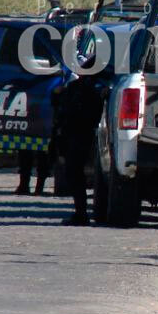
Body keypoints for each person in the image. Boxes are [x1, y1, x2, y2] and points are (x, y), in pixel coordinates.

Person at [51, 64, 107, 225]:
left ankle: (81, 213)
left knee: (75, 173)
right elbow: (59, 104)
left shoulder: (91, 88)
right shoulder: (78, 87)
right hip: (74, 133)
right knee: (73, 173)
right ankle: (80, 212)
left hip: (83, 134)